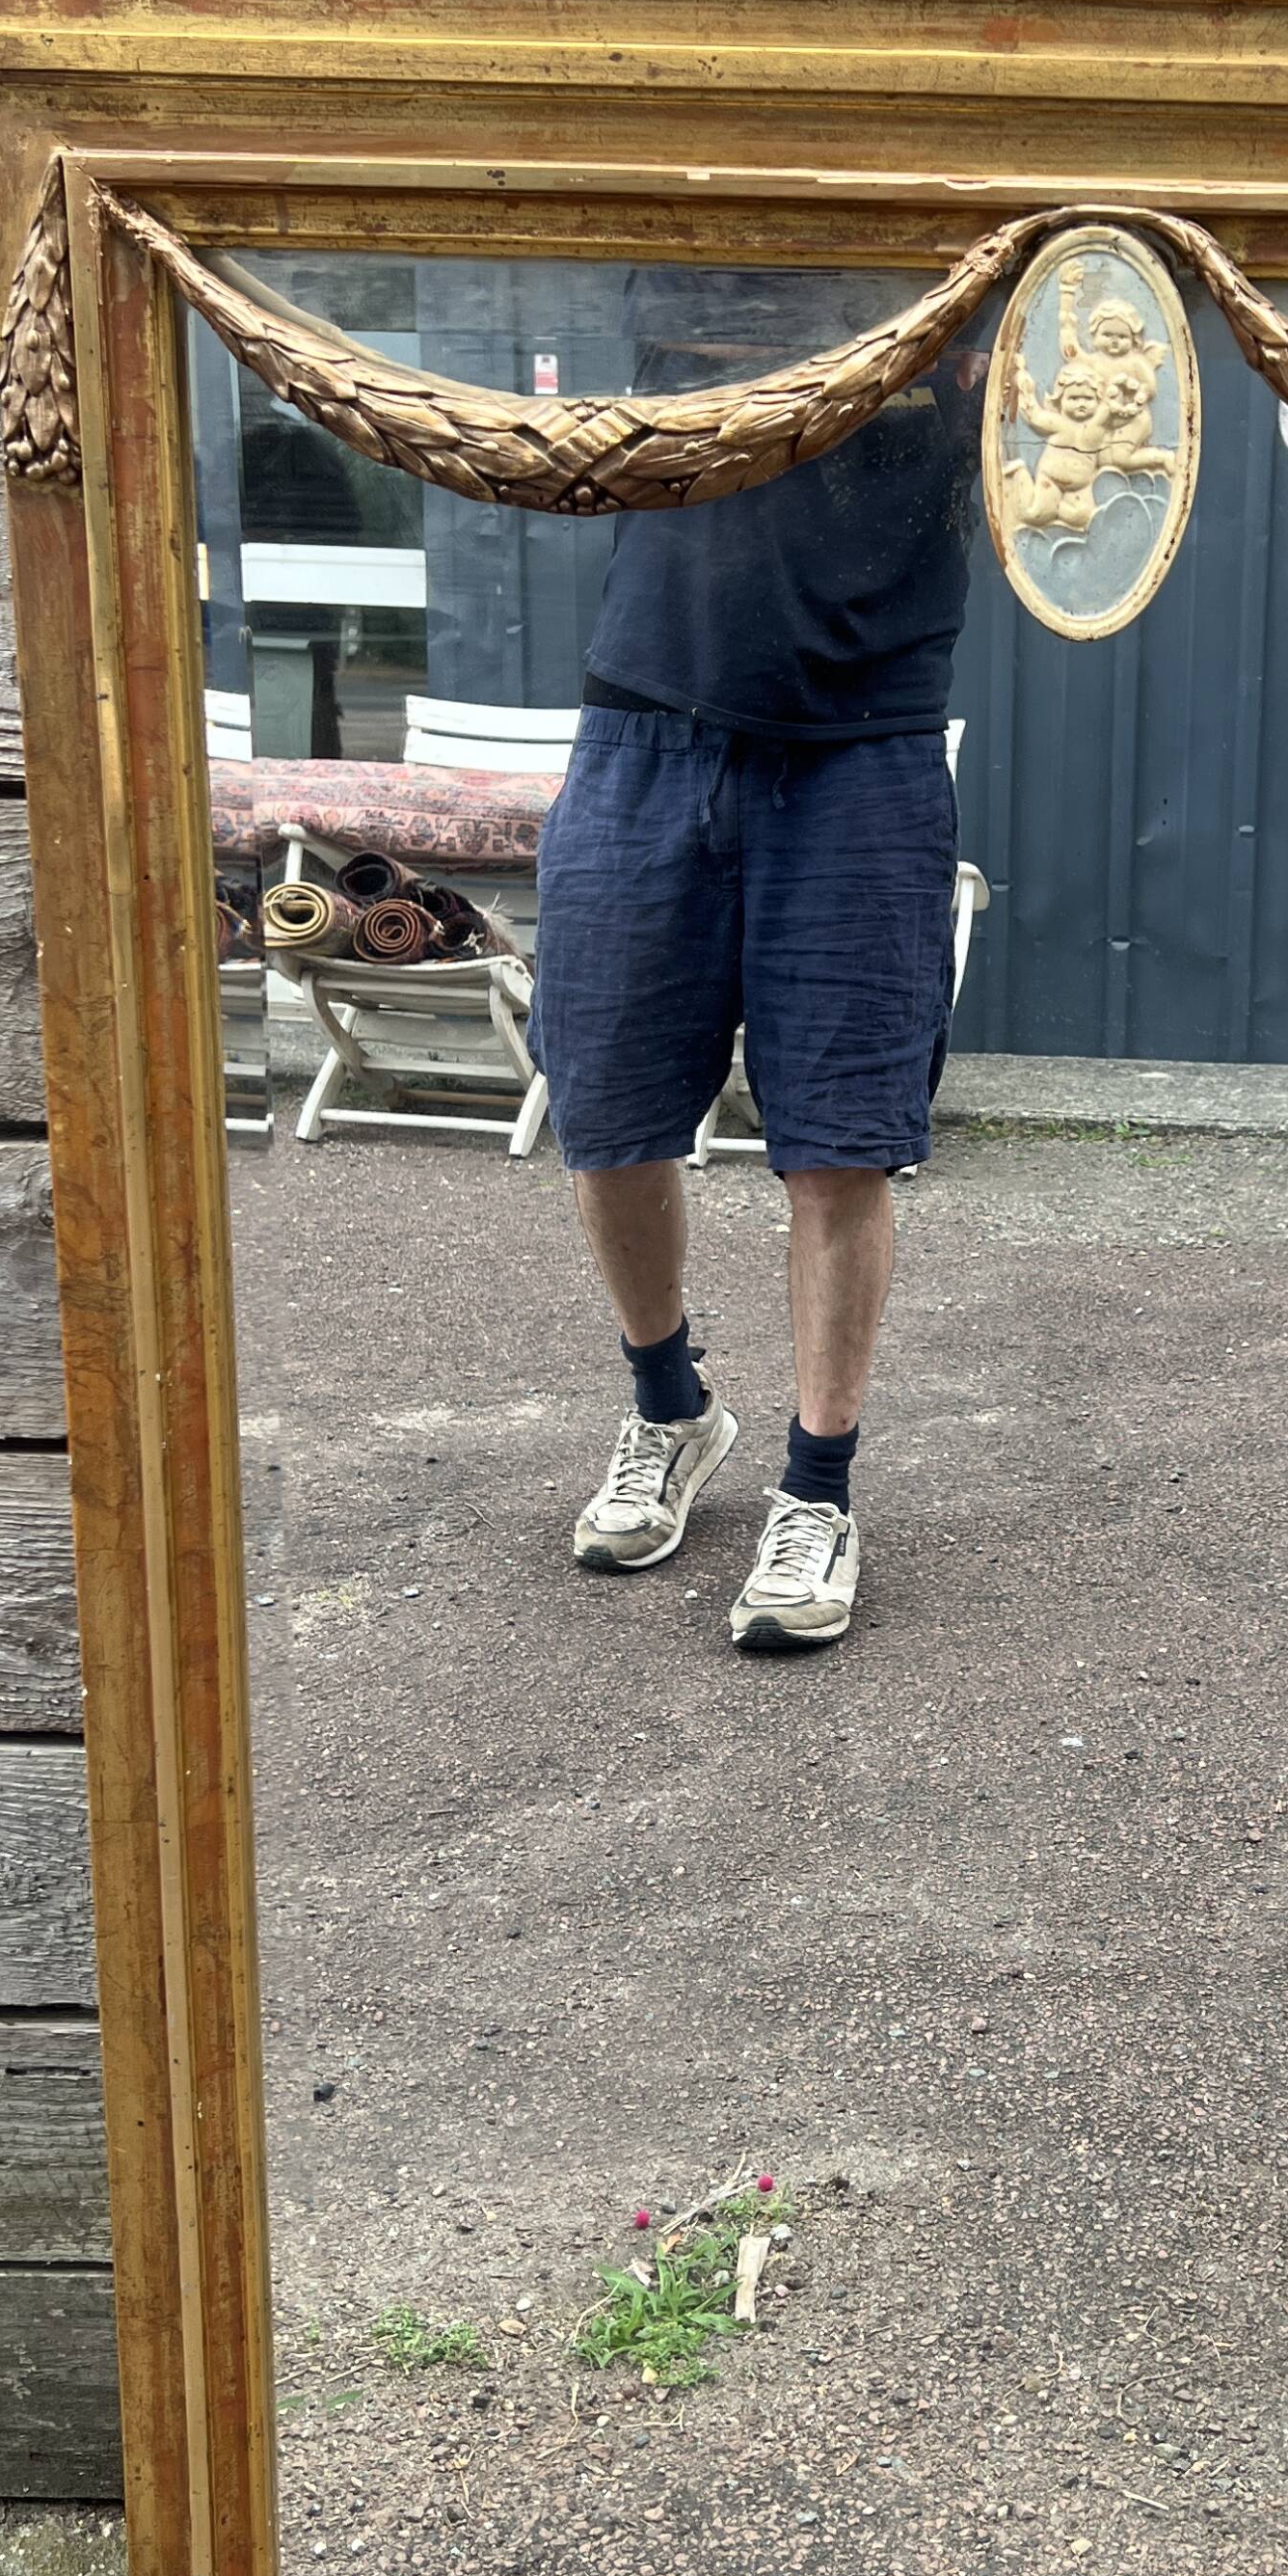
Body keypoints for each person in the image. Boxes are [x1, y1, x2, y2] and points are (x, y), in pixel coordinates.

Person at [523, 271, 982, 1654]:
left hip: (864, 746)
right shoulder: (696, 251)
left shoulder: (977, 279)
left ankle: (818, 1490)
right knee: (604, 1109)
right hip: (643, 719)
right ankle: (671, 1408)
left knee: (841, 1144)